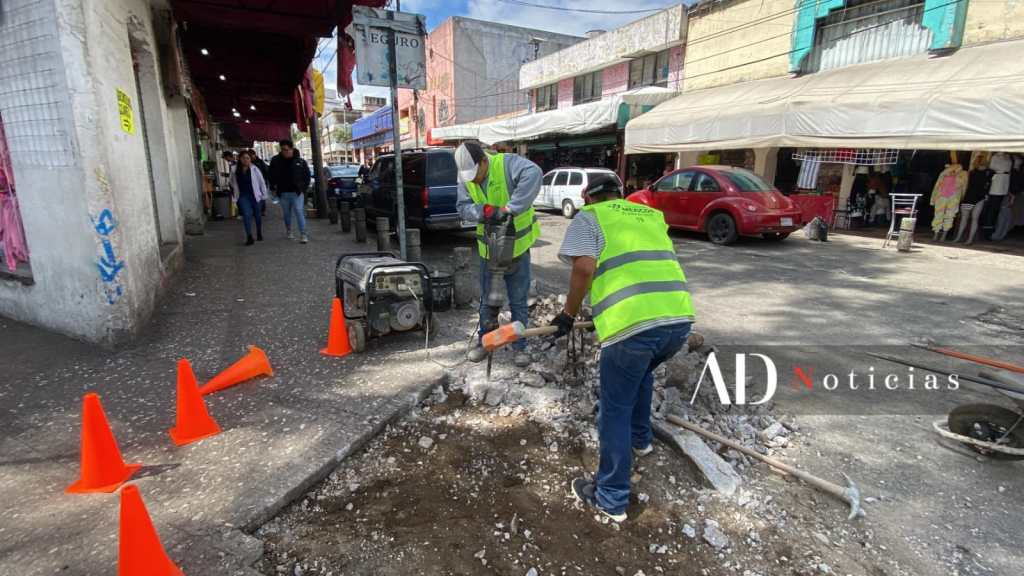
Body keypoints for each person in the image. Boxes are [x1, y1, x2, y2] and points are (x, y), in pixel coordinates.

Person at [550, 173, 695, 522]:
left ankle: (611, 498)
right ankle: (641, 440)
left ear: (588, 197)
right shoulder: (649, 215)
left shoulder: (590, 217)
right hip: (677, 321)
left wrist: (568, 315)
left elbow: (584, 267)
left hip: (633, 327)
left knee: (614, 407)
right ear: (619, 194)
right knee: (642, 375)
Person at [455, 141, 542, 368]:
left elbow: (535, 173)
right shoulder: (465, 176)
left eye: (476, 173)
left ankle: (519, 346)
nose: (473, 180)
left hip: (518, 248)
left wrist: (510, 209)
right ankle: (486, 342)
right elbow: (462, 207)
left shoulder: (506, 164)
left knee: (518, 300)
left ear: (484, 160)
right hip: (488, 250)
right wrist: (484, 212)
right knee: (488, 300)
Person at [269, 139, 311, 243]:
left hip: (297, 193)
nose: (285, 152)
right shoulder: (275, 160)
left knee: (299, 212)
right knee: (286, 214)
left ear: (292, 149)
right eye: (283, 150)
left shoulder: (300, 161)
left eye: (287, 149)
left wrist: (303, 189)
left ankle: (303, 234)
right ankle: (288, 231)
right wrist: (272, 188)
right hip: (283, 193)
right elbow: (270, 175)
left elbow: (307, 176)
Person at [229, 151, 268, 245]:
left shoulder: (255, 169)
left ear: (250, 159)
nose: (245, 160)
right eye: (243, 158)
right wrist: (235, 192)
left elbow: (261, 182)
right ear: (239, 159)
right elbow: (231, 182)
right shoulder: (234, 169)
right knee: (247, 214)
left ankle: (259, 232)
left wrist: (264, 195)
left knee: (258, 215)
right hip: (243, 196)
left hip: (255, 196)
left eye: (247, 158)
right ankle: (249, 236)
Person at [248, 149, 271, 215]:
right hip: (253, 183)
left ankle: (262, 210)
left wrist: (266, 181)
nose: (250, 157)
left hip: (262, 181)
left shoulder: (260, 162)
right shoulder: (249, 163)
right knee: (255, 196)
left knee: (262, 196)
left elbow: (266, 171)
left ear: (254, 154)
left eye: (251, 155)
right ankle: (256, 209)